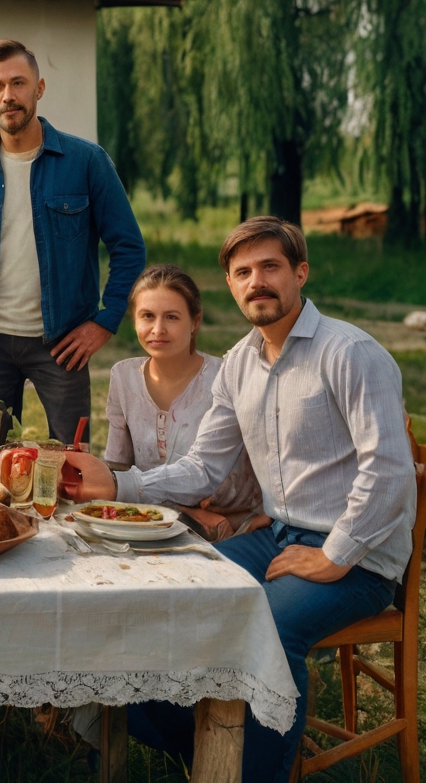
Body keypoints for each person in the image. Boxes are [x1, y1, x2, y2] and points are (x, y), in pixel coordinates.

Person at [63, 217, 416, 783]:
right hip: (278, 535)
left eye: (271, 267)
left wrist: (334, 556)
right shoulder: (240, 366)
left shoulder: (350, 352)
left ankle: (258, 772)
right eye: (243, 271)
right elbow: (204, 467)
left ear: (301, 272)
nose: (258, 281)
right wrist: (117, 485)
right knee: (170, 592)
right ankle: (208, 747)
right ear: (229, 284)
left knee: (267, 629)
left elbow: (392, 471)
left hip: (360, 555)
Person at [0, 39, 145, 445]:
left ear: (39, 88)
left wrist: (104, 322)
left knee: (70, 461)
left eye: (18, 83)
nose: (8, 96)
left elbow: (129, 247)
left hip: (62, 344)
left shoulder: (87, 162)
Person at [102, 263, 265, 541]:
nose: (158, 329)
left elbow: (270, 459)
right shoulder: (123, 376)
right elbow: (117, 467)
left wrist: (261, 517)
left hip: (232, 526)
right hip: (150, 522)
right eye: (147, 316)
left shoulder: (226, 377)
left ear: (195, 322)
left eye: (172, 317)